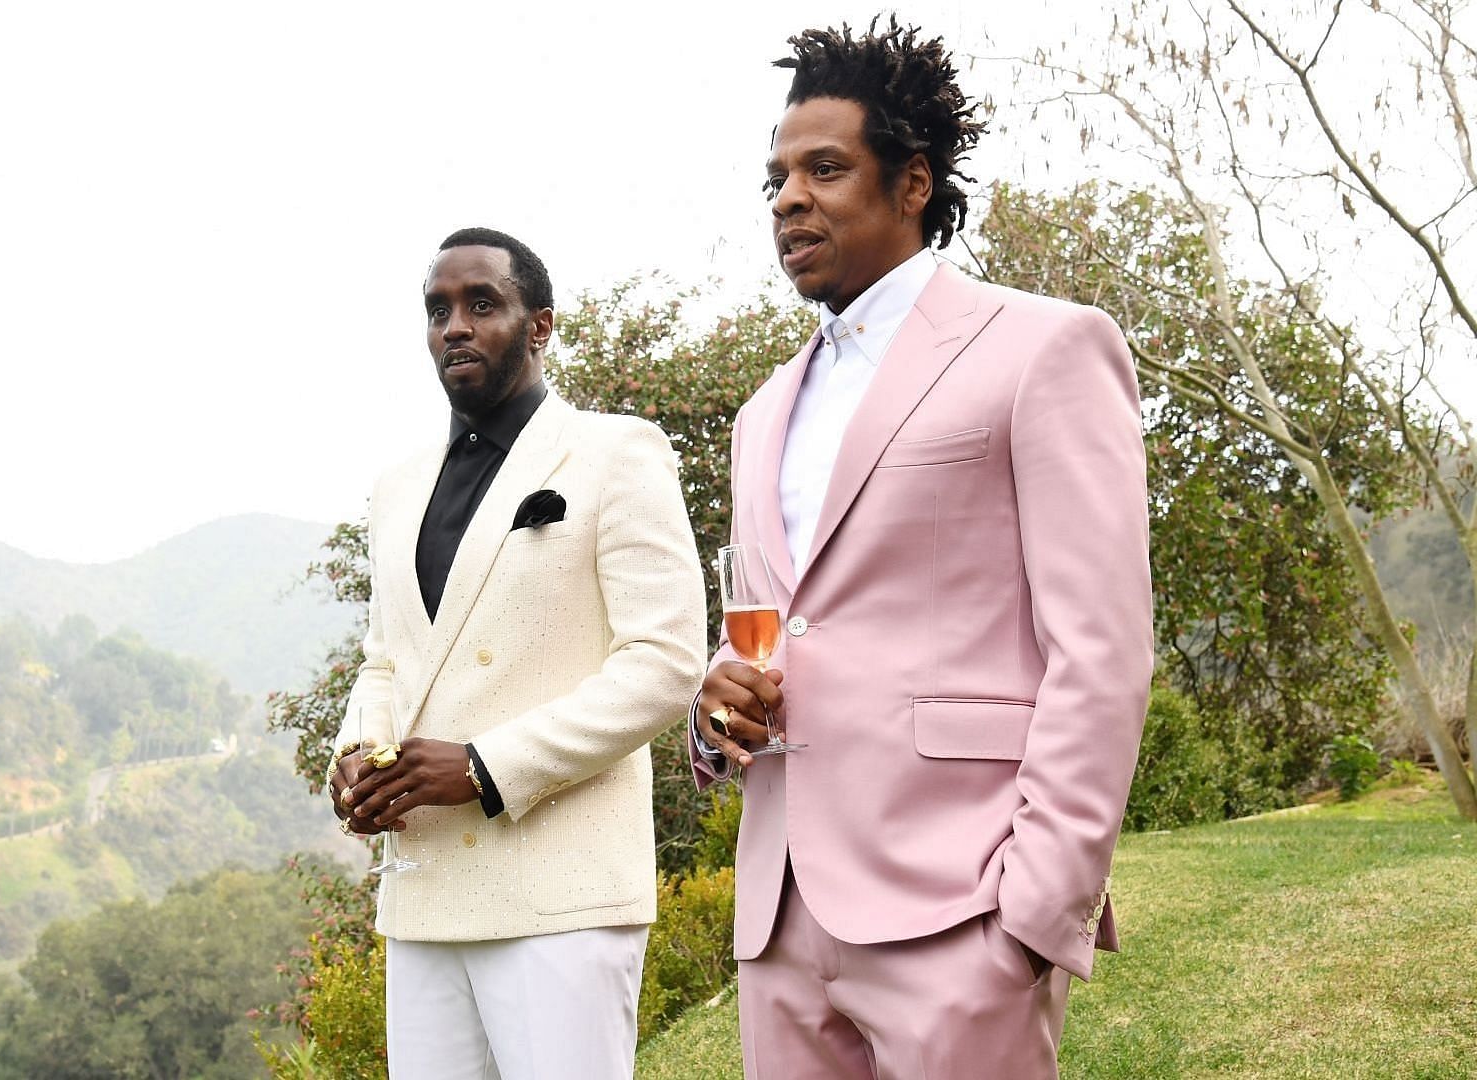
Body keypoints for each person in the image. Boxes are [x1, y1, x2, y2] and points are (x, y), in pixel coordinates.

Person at [689, 20, 1154, 1079]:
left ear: (913, 185)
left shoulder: (1045, 348)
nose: (788, 200)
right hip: (781, 925)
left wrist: (1034, 914)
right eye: (774, 179)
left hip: (961, 913)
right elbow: (770, 636)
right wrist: (712, 720)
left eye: (824, 169)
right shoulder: (762, 414)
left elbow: (1103, 650)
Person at [330, 227, 707, 1079]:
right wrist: (356, 757)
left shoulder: (617, 453)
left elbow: (664, 661)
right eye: (438, 311)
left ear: (539, 326)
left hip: (562, 896)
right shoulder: (396, 487)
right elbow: (386, 657)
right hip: (423, 895)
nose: (454, 326)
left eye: (481, 305)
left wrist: (484, 767)